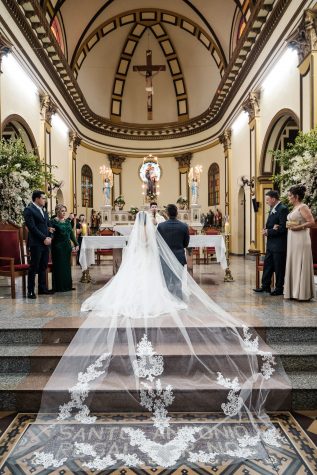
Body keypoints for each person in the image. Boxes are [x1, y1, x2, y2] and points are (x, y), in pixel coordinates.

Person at [16, 210, 289, 472]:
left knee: (130, 283)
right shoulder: (156, 230)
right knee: (153, 288)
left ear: (137, 223)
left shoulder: (143, 233)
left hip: (137, 263)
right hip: (151, 264)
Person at [284, 185, 316, 301]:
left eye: (290, 196)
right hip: (293, 239)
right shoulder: (294, 207)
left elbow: (312, 223)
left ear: (296, 197)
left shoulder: (303, 207)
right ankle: (294, 292)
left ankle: (302, 293)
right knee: (294, 262)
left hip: (301, 239)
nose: (289, 198)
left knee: (299, 262)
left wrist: (299, 227)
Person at [253, 190, 288, 296]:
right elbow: (273, 225)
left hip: (279, 244)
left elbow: (283, 228)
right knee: (267, 265)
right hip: (271, 244)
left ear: (273, 199)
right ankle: (265, 286)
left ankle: (279, 288)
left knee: (278, 267)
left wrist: (269, 231)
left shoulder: (283, 209)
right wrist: (267, 229)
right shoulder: (273, 208)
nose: (266, 202)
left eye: (268, 200)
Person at [23, 190, 54, 299]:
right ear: (36, 198)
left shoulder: (44, 211)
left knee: (43, 266)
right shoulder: (29, 210)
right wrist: (44, 238)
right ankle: (30, 291)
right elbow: (32, 228)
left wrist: (50, 236)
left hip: (46, 243)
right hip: (36, 243)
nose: (45, 200)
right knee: (34, 266)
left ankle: (42, 288)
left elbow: (49, 225)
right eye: (43, 198)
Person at [157, 203, 189, 298]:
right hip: (179, 256)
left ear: (166, 213)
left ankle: (168, 298)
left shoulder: (161, 226)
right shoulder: (184, 226)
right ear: (177, 213)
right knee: (178, 279)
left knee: (166, 279)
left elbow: (158, 242)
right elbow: (186, 244)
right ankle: (178, 297)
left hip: (165, 257)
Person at [51, 204, 78, 292]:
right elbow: (50, 234)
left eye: (64, 211)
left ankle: (67, 286)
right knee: (59, 266)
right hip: (58, 247)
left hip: (67, 247)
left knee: (67, 267)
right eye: (62, 211)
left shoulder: (67, 222)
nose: (64, 213)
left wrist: (76, 244)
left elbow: (71, 234)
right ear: (57, 211)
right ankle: (58, 287)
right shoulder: (53, 222)